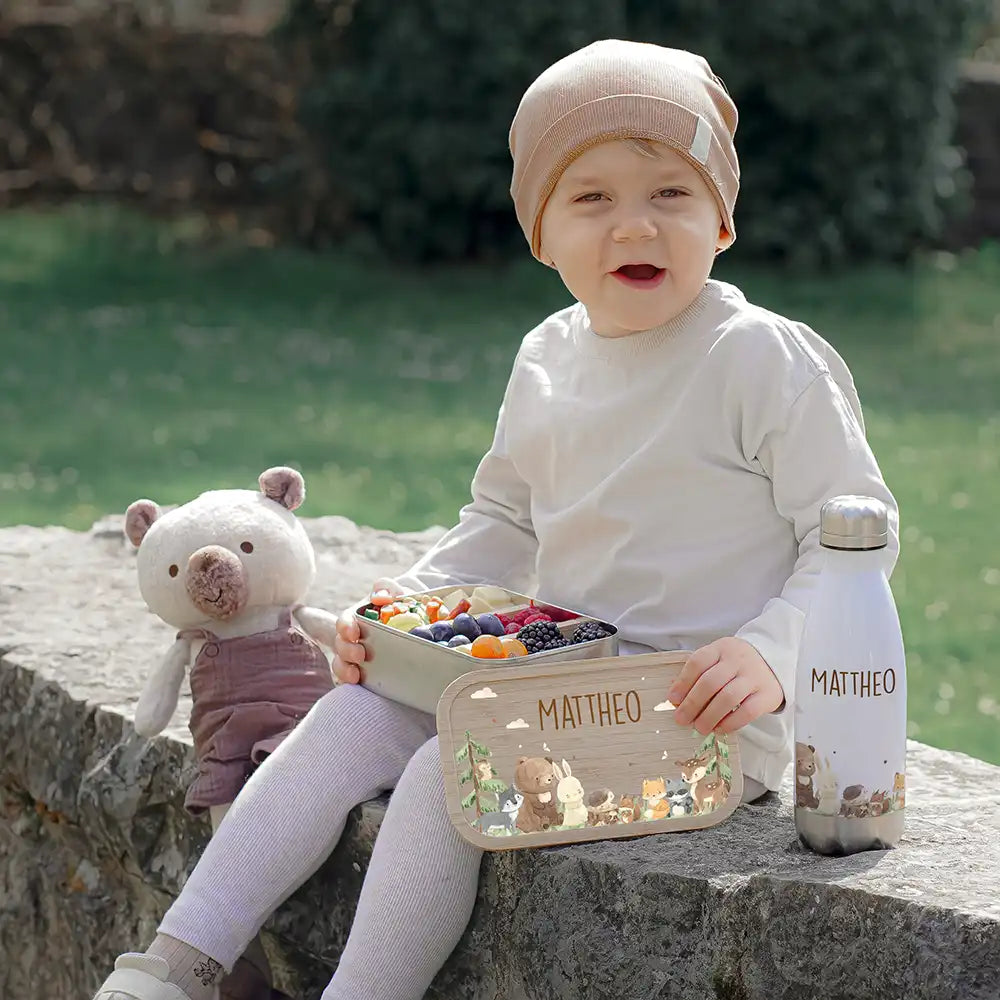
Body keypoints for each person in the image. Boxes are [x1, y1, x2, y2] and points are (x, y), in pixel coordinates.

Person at [92, 38, 898, 1000]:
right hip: (546, 680)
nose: (633, 226)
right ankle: (172, 965)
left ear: (722, 220)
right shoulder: (549, 355)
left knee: (452, 771)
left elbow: (858, 535)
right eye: (590, 198)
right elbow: (503, 519)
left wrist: (771, 653)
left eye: (671, 194)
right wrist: (400, 618)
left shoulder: (760, 359)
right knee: (349, 714)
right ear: (540, 232)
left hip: (700, 724)